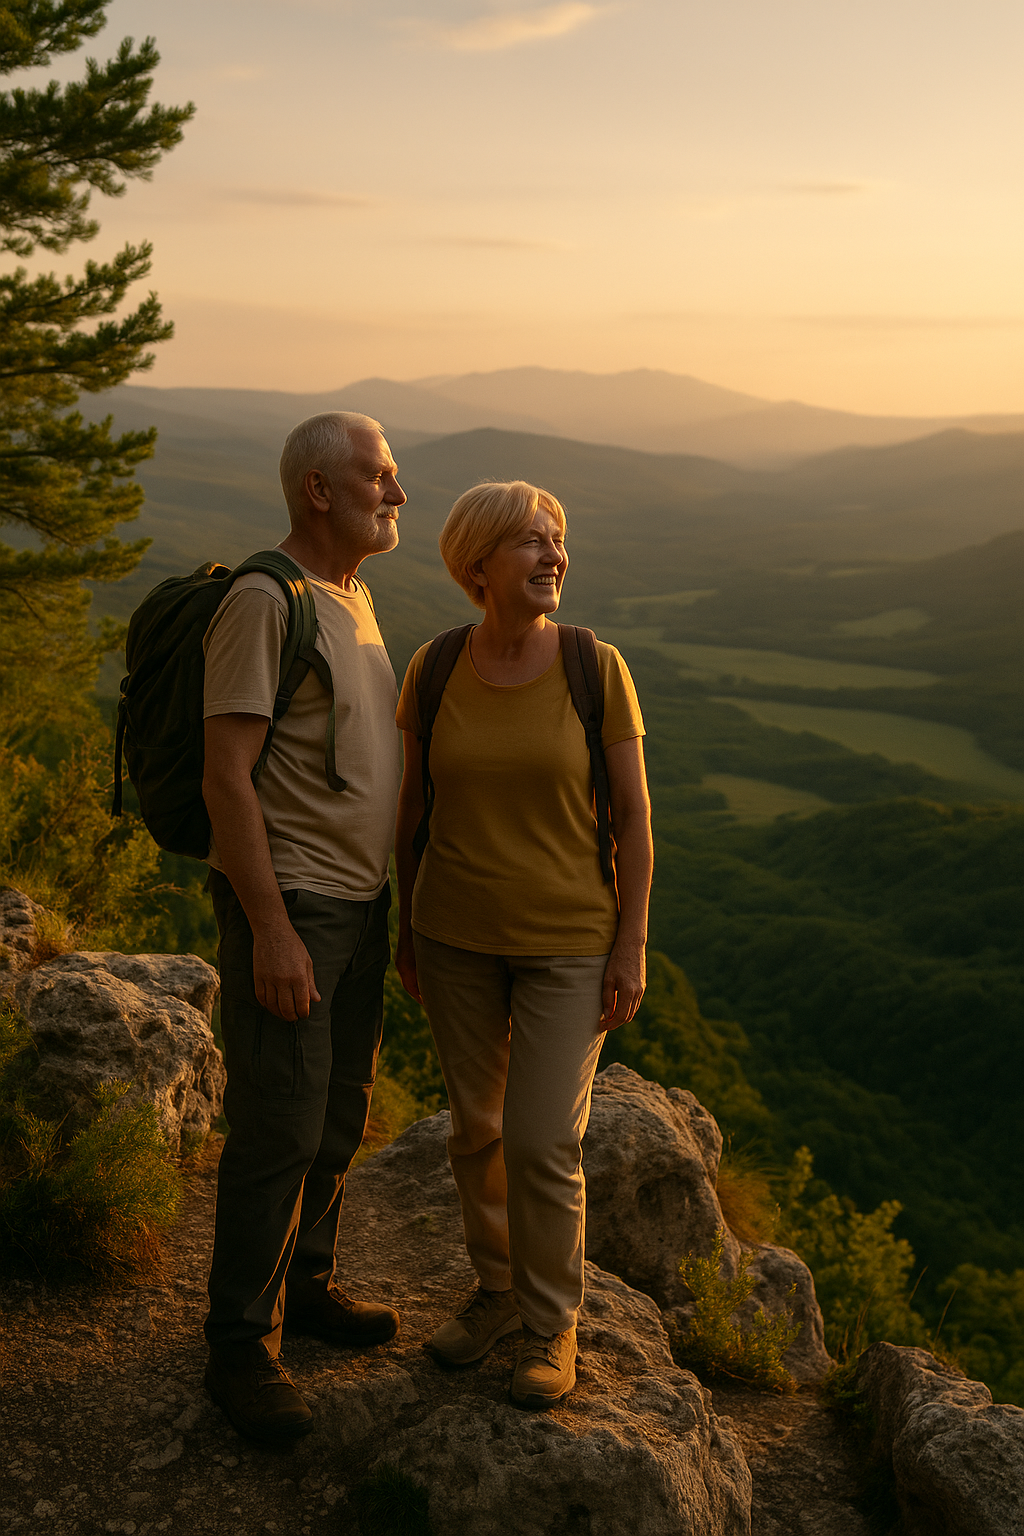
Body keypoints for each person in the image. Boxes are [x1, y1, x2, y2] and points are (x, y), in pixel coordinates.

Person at [394, 479, 653, 1410]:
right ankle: (498, 1292)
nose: (554, 556)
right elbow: (413, 811)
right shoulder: (434, 666)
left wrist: (631, 945)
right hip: (454, 933)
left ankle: (552, 1325)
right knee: (479, 1133)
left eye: (558, 539)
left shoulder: (595, 665)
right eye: (532, 543)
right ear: (478, 567)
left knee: (544, 1139)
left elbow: (632, 817)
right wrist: (406, 930)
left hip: (570, 944)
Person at [201, 411, 407, 1444]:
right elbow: (226, 777)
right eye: (379, 475)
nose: (397, 493)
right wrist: (271, 929)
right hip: (297, 909)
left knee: (334, 1117)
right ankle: (240, 1349)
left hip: (359, 911)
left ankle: (307, 1288)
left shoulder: (354, 599)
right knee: (278, 1127)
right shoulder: (262, 599)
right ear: (319, 490)